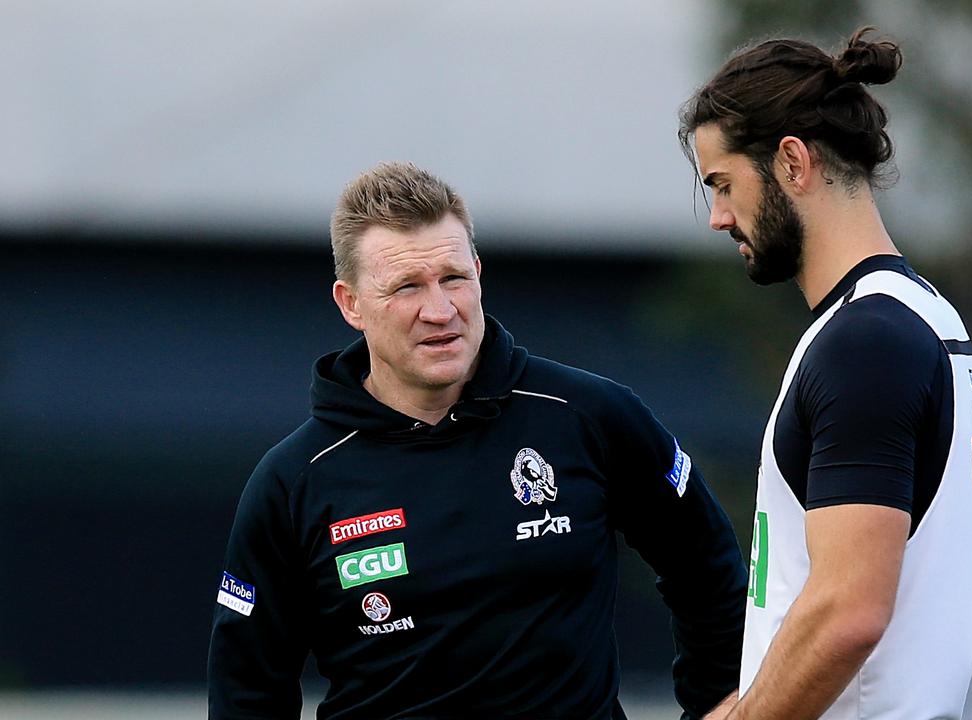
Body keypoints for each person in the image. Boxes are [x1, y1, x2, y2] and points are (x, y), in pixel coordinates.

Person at [207, 162, 746, 720]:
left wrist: (713, 705)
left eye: (453, 278)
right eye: (406, 287)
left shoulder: (589, 415)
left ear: (479, 274)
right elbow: (247, 688)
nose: (440, 311)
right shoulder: (294, 480)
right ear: (350, 304)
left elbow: (706, 564)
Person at [676, 28, 972, 719]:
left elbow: (849, 611)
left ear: (792, 161)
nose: (719, 218)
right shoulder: (925, 318)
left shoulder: (867, 342)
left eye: (723, 185)